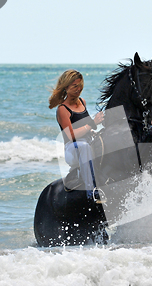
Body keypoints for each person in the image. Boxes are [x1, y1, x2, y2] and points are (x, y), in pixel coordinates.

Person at [49, 70, 104, 202]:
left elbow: (84, 126)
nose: (78, 89)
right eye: (74, 86)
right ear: (66, 87)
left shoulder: (82, 102)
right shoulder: (63, 109)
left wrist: (93, 131)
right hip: (72, 149)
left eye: (80, 85)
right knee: (83, 146)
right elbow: (71, 135)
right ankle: (92, 192)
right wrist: (92, 123)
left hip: (87, 141)